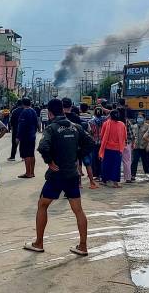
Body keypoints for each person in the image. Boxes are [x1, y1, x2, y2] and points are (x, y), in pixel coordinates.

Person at [24, 98, 94, 256]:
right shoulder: (76, 127)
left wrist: (49, 161)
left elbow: (42, 147)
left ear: (49, 113)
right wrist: (77, 156)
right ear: (63, 110)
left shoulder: (51, 128)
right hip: (72, 174)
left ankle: (38, 243)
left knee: (43, 205)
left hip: (56, 175)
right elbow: (90, 142)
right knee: (78, 210)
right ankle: (83, 246)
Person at [99, 110, 127, 188]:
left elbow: (102, 135)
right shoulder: (122, 124)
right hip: (118, 149)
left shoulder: (106, 124)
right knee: (116, 166)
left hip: (107, 147)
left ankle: (105, 180)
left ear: (110, 116)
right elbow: (125, 136)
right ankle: (115, 182)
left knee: (106, 164)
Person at [17, 97, 39, 179]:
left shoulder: (24, 112)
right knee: (31, 154)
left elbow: (21, 126)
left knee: (26, 155)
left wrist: (18, 137)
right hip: (32, 135)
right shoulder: (33, 111)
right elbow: (37, 122)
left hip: (26, 136)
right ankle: (32, 172)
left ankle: (28, 173)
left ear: (23, 104)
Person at [130, 113, 149, 182]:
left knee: (147, 161)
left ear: (144, 119)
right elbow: (132, 137)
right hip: (136, 147)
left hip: (144, 146)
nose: (139, 119)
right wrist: (132, 145)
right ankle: (133, 175)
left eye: (141, 117)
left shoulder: (147, 126)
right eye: (138, 117)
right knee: (134, 161)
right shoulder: (134, 126)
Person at [88, 107, 106, 181]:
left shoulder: (91, 121)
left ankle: (96, 175)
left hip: (94, 142)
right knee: (102, 159)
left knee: (94, 159)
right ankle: (102, 174)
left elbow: (90, 132)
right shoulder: (105, 121)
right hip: (103, 142)